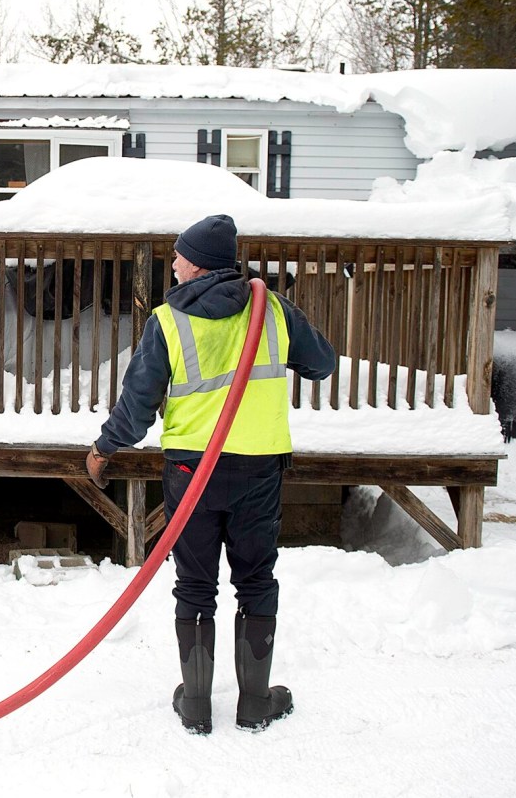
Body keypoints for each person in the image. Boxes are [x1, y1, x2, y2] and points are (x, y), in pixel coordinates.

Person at [85, 214, 336, 735]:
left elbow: (137, 404)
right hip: (258, 468)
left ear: (196, 263)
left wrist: (104, 448)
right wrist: (283, 324)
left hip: (189, 468)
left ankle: (196, 706)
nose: (172, 267)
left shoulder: (168, 321)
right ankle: (254, 703)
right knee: (256, 578)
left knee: (195, 584)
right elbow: (322, 363)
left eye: (177, 257)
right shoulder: (272, 311)